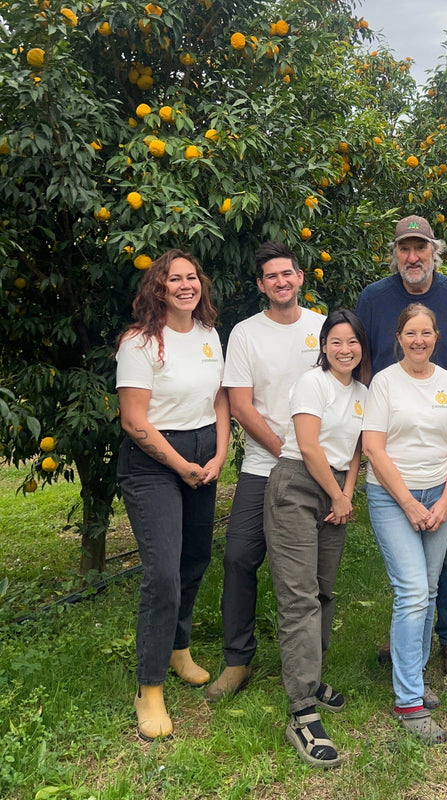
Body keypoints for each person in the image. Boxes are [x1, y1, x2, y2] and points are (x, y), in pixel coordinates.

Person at [355, 215, 447, 683]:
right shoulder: (374, 298)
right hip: (390, 434)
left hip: (443, 434)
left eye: (421, 248)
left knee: (446, 554)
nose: (413, 257)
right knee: (411, 569)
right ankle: (410, 634)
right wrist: (378, 405)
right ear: (396, 254)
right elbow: (359, 358)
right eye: (404, 249)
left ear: (434, 252)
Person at [116, 249, 230, 741]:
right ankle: (149, 686)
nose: (185, 285)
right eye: (174, 279)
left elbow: (220, 398)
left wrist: (220, 454)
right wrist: (179, 464)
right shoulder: (140, 343)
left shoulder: (209, 335)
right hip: (155, 464)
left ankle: (178, 647)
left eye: (191, 277)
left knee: (194, 560)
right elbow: (134, 420)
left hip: (203, 455)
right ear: (158, 288)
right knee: (162, 573)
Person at [206, 241, 324, 701]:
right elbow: (239, 404)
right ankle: (238, 660)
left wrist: (313, 455)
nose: (280, 281)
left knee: (308, 572)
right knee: (239, 557)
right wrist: (285, 451)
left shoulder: (322, 327)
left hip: (317, 464)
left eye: (287, 274)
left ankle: (310, 658)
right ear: (261, 285)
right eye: (271, 276)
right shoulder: (245, 334)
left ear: (300, 277)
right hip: (264, 465)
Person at [362, 304, 447, 744]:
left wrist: (446, 500)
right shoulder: (385, 383)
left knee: (427, 591)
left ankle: (414, 675)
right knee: (411, 591)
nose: (419, 340)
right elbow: (373, 446)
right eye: (411, 332)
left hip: (437, 498)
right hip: (393, 497)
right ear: (399, 337)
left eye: (426, 332)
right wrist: (408, 503)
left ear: (436, 337)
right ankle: (408, 701)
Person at [264, 309, 370, 769]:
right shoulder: (313, 383)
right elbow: (308, 446)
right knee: (299, 597)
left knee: (323, 591)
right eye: (336, 341)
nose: (344, 349)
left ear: (362, 346)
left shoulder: (364, 392)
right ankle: (302, 710)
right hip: (298, 487)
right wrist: (336, 492)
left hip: (335, 489)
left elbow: (358, 448)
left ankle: (312, 675)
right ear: (324, 346)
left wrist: (345, 494)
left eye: (353, 342)